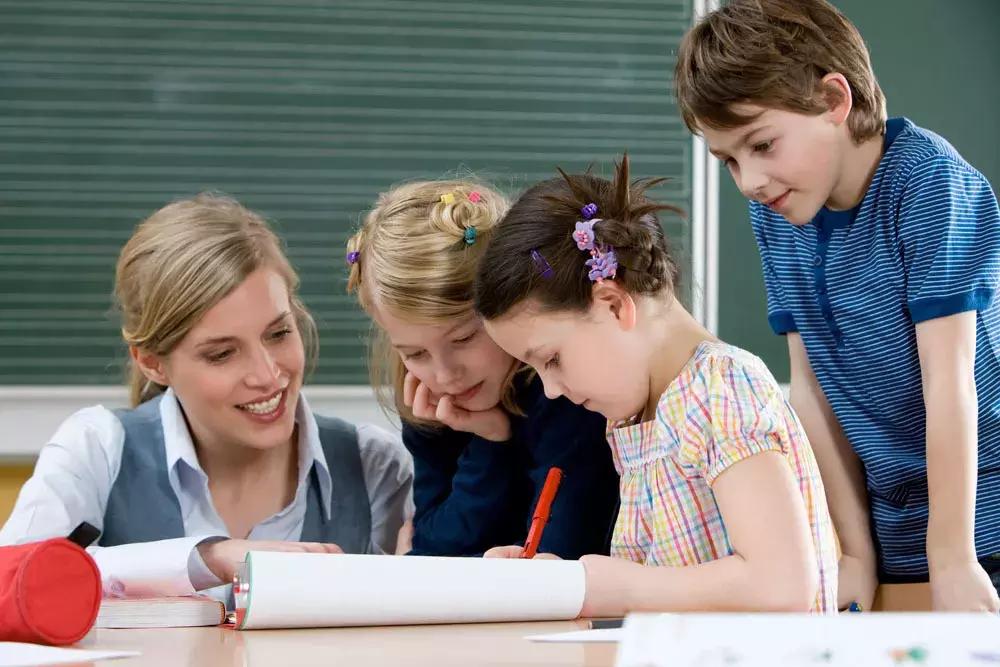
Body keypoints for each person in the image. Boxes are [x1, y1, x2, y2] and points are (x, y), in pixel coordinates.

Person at [674, 0, 1000, 611]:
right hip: (892, 526)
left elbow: (949, 383)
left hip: (979, 524)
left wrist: (952, 559)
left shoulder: (929, 181)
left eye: (762, 144)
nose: (749, 181)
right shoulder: (777, 212)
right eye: (729, 162)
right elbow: (812, 391)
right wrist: (852, 552)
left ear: (832, 101)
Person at [0, 194, 413, 599]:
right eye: (222, 354)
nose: (268, 375)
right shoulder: (97, 448)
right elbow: (11, 578)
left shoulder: (372, 465)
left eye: (279, 333)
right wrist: (207, 560)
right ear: (152, 362)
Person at [475, 156, 838, 613]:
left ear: (612, 304)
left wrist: (609, 588)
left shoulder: (718, 389)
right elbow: (666, 582)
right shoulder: (636, 418)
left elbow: (779, 586)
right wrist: (564, 582)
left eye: (551, 360)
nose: (550, 390)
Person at [346, 180, 619, 558]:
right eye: (414, 353)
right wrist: (489, 441)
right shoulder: (431, 404)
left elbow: (557, 554)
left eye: (463, 340)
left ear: (508, 302)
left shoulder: (565, 393)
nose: (444, 376)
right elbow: (432, 549)